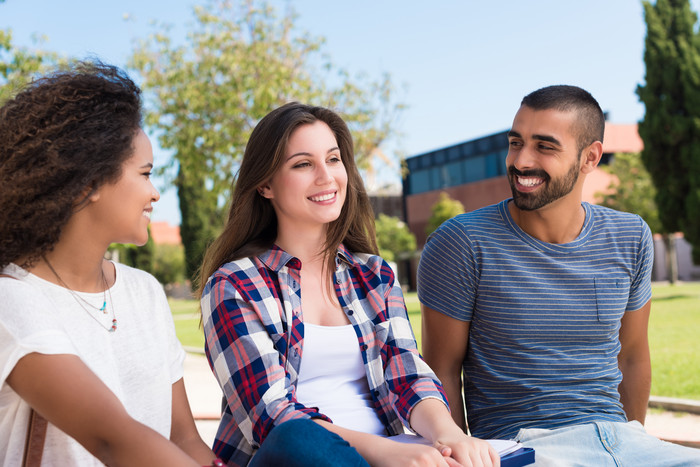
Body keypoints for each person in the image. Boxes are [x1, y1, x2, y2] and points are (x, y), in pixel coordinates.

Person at [198, 102, 499, 467]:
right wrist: (388, 452)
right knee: (297, 438)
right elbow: (273, 418)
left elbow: (407, 373)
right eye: (303, 164)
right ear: (265, 184)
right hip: (304, 458)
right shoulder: (234, 285)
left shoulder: (375, 275)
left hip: (394, 453)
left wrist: (448, 435)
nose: (326, 177)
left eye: (334, 159)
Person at [417, 85, 700, 466]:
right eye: (516, 143)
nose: (520, 160)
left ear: (590, 158)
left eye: (544, 147)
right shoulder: (462, 243)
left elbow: (632, 356)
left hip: (624, 440)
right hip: (528, 446)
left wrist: (635, 446)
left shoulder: (631, 236)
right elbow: (441, 372)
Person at [0, 61, 222, 466]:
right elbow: (111, 440)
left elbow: (185, 440)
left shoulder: (144, 292)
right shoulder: (12, 300)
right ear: (89, 181)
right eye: (145, 173)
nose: (154, 193)